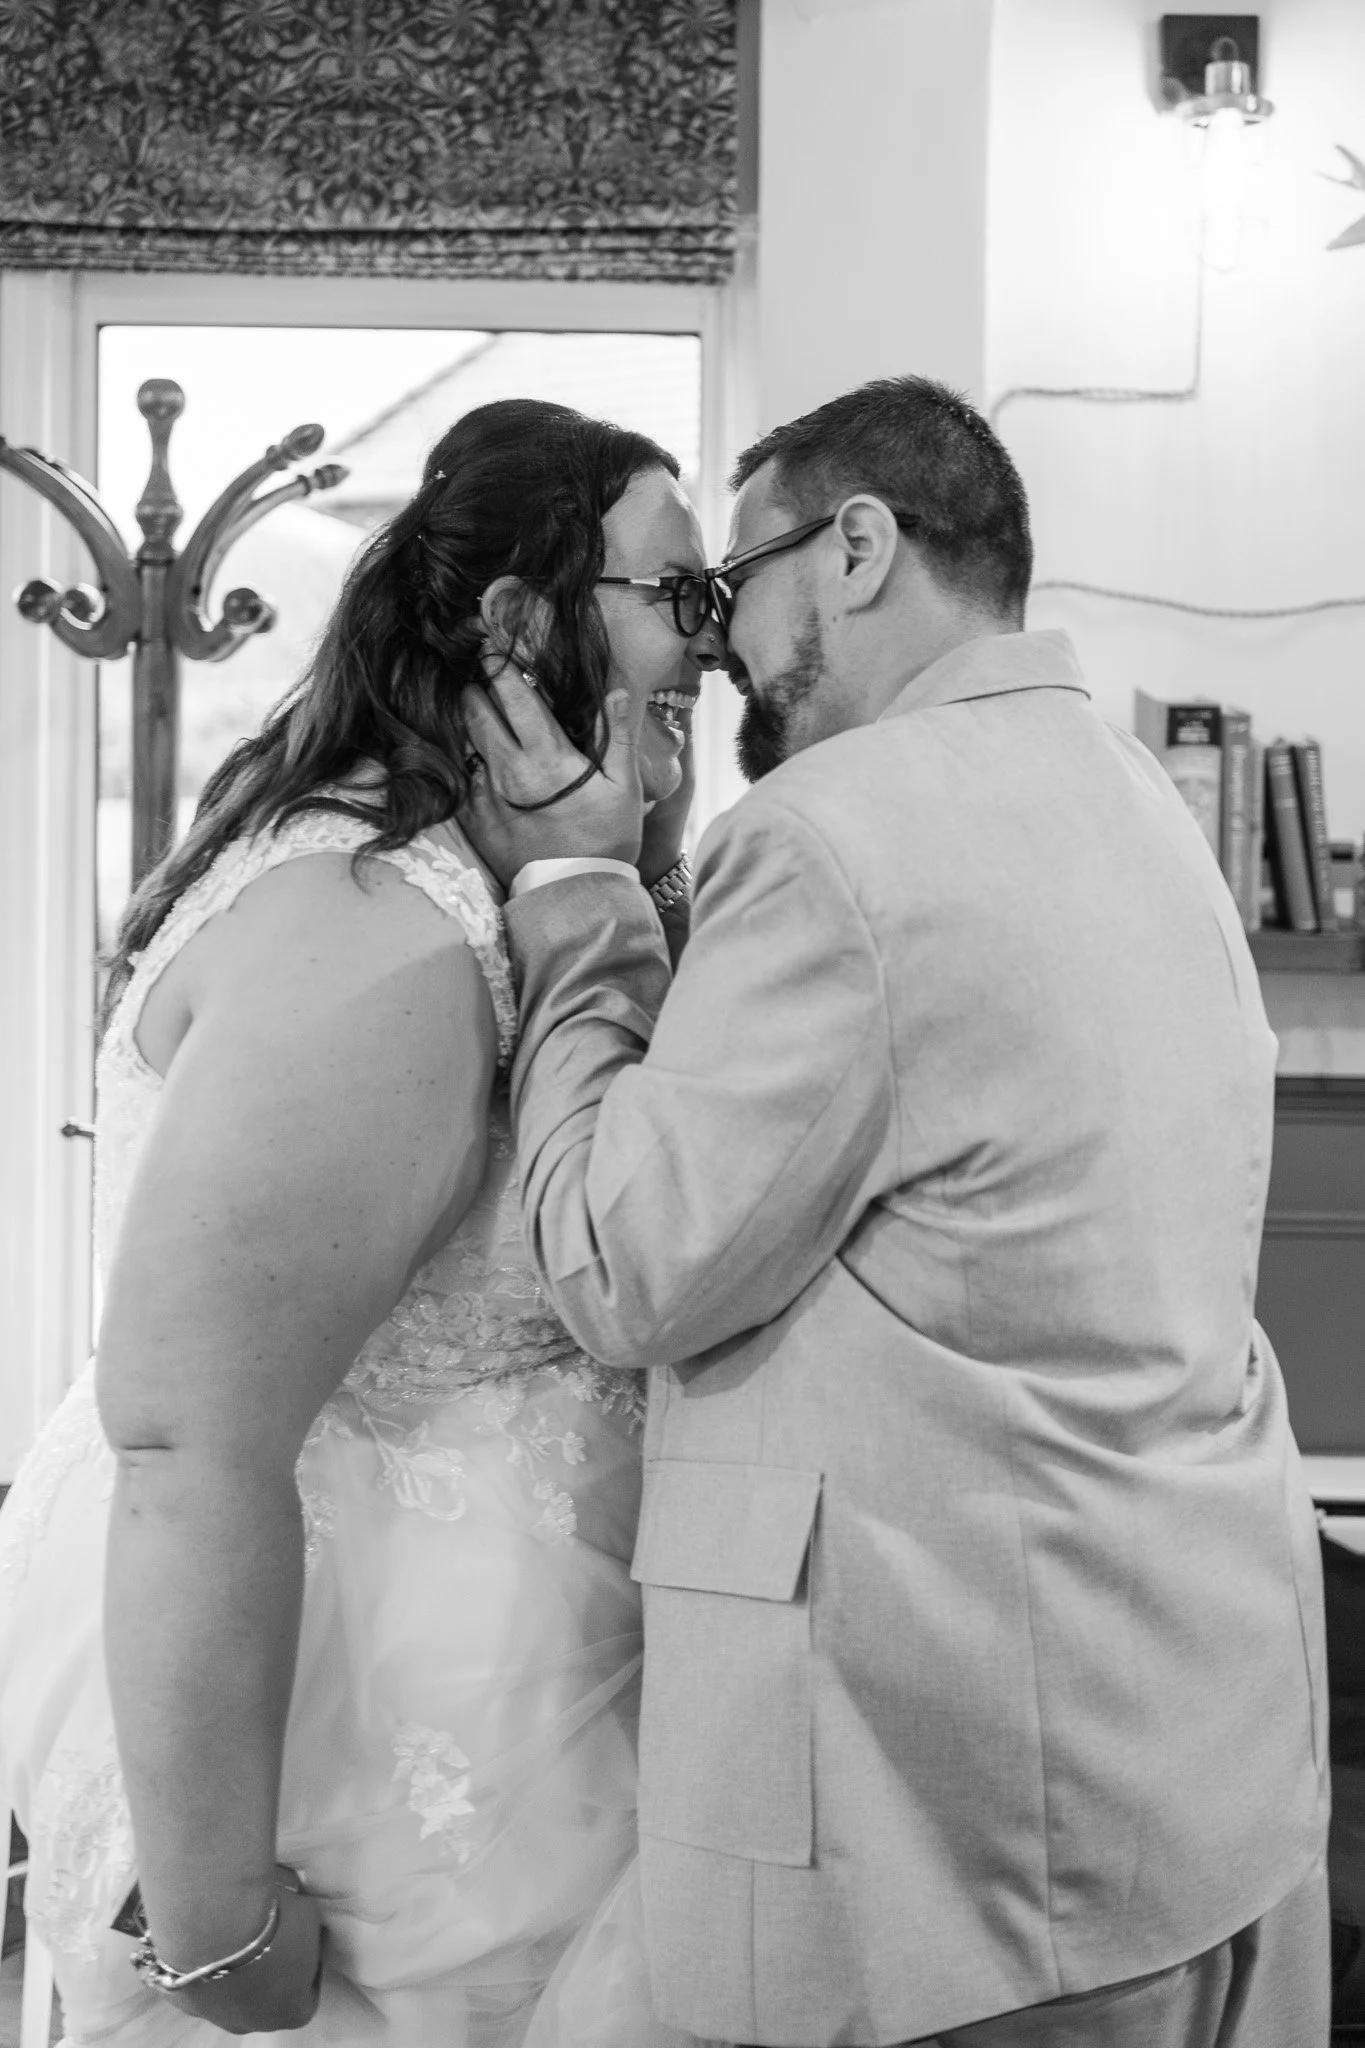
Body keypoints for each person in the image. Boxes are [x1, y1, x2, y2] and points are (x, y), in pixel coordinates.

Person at [457, 374, 1332, 2048]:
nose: (717, 644)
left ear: (856, 549)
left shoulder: (832, 834)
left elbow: (624, 1267)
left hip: (962, 1832)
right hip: (1188, 1745)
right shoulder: (1133, 793)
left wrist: (576, 894)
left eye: (735, 584)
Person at [0, 398, 723, 2047]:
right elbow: (190, 1441)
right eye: (676, 594)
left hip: (501, 1747)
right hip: (370, 1786)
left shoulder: (465, 887)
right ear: (520, 627)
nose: (714, 640)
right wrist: (217, 1928)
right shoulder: (380, 937)